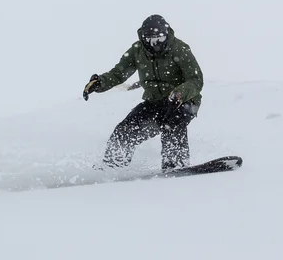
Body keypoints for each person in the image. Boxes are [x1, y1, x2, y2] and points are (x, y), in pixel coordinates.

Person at [83, 14, 204, 170]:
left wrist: (179, 93)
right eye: (150, 40)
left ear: (166, 34)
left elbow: (195, 80)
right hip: (154, 102)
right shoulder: (137, 51)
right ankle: (111, 166)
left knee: (172, 124)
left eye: (159, 39)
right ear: (143, 38)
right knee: (125, 129)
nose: (155, 44)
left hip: (183, 101)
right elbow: (118, 73)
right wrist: (100, 83)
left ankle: (175, 165)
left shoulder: (180, 49)